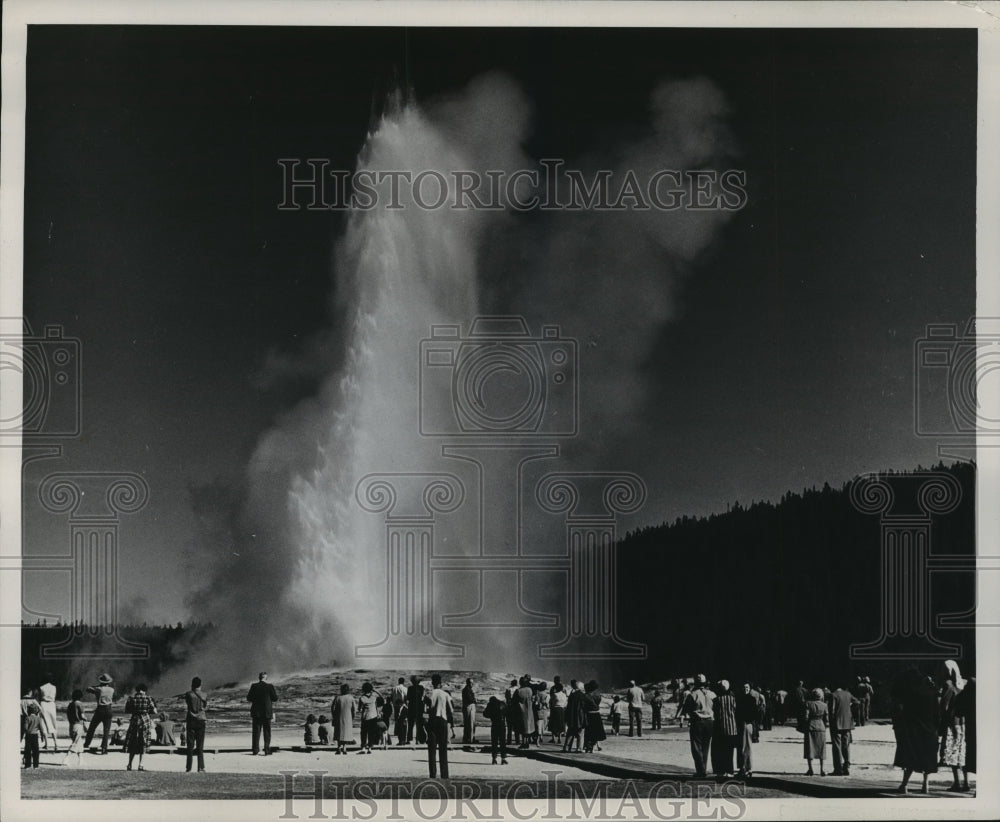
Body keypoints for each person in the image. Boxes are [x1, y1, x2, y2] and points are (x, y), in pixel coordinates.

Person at [891, 670, 939, 794]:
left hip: (913, 731)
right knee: (927, 759)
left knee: (910, 759)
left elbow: (905, 713)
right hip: (929, 730)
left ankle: (904, 784)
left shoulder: (910, 693)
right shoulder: (932, 693)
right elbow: (937, 714)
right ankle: (925, 785)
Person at [682, 674, 715, 778]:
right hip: (710, 722)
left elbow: (686, 710)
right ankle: (703, 769)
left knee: (696, 747)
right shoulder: (712, 694)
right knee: (706, 747)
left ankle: (700, 771)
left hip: (698, 722)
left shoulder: (692, 695)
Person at [939, 670, 967, 791]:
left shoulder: (948, 684)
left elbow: (944, 705)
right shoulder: (964, 683)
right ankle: (966, 782)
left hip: (952, 723)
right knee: (962, 752)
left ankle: (957, 782)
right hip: (963, 722)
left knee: (952, 752)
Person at [123, 683, 157, 771]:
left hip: (134, 721)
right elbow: (154, 711)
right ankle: (141, 765)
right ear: (144, 690)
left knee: (133, 743)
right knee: (143, 743)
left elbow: (127, 710)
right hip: (145, 721)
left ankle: (129, 764)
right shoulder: (149, 698)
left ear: (137, 690)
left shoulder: (131, 699)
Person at [425, 673, 453, 779]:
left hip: (433, 721)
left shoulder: (430, 693)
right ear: (440, 683)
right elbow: (451, 709)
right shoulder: (445, 694)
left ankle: (433, 774)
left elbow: (427, 708)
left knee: (432, 749)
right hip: (443, 721)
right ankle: (444, 774)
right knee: (443, 748)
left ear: (432, 683)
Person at [711, 680, 738, 779]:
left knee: (720, 751)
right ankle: (730, 771)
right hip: (732, 729)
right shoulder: (734, 699)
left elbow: (715, 714)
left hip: (720, 729)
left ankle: (721, 771)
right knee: (730, 752)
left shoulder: (717, 700)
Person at [247, 671, 278, 756]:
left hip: (256, 712)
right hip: (267, 712)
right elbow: (275, 698)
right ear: (266, 678)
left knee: (256, 732)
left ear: (259, 678)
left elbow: (249, 698)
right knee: (267, 732)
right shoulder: (270, 686)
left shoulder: (254, 686)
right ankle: (267, 750)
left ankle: (255, 750)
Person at [84, 673, 116, 754]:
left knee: (92, 728)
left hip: (100, 710)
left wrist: (97, 685)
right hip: (109, 710)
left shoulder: (99, 689)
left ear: (101, 682)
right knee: (106, 730)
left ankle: (87, 744)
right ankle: (104, 748)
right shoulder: (112, 690)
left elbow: (88, 689)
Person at [830, 682, 857, 775]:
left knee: (837, 746)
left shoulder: (833, 695)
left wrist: (830, 721)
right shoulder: (848, 694)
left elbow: (832, 710)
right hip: (847, 723)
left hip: (836, 723)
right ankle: (847, 766)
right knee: (846, 745)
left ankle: (838, 768)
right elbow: (857, 702)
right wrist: (850, 710)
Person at [953, 677, 975, 789]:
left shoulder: (960, 695)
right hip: (968, 728)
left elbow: (957, 712)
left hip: (964, 729)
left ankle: (959, 783)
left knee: (961, 756)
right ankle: (967, 783)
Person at [802, 687, 829, 777]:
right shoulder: (824, 705)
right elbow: (827, 719)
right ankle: (822, 769)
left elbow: (806, 717)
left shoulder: (808, 704)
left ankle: (810, 769)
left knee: (809, 748)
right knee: (821, 749)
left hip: (811, 726)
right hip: (821, 727)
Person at [185, 676, 208, 773]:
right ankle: (201, 767)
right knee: (200, 745)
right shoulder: (204, 695)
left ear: (192, 685)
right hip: (201, 720)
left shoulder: (189, 694)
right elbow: (205, 706)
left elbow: (187, 703)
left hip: (191, 720)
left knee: (190, 745)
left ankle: (189, 767)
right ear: (200, 685)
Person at [61, 689, 88, 767]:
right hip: (78, 725)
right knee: (75, 743)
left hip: (71, 725)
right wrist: (86, 719)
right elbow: (82, 716)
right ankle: (66, 758)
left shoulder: (70, 705)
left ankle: (81, 760)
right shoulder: (80, 704)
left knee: (79, 742)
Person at [735, 684, 757, 779]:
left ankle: (744, 768)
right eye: (744, 688)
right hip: (748, 724)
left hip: (745, 724)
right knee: (747, 747)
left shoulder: (740, 699)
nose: (745, 689)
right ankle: (747, 768)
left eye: (747, 688)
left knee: (743, 747)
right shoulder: (752, 699)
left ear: (749, 689)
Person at [582, 680, 606, 753]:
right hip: (596, 714)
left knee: (588, 731)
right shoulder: (598, 695)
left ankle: (587, 746)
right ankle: (593, 747)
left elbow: (584, 705)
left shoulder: (586, 695)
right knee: (595, 731)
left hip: (588, 714)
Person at [483, 695, 509, 765]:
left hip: (494, 725)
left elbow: (485, 714)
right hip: (502, 725)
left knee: (494, 742)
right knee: (502, 742)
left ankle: (494, 759)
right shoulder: (503, 704)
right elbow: (507, 713)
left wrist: (492, 715)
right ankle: (503, 759)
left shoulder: (491, 705)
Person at [513, 676, 537, 749]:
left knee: (523, 728)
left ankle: (524, 743)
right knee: (528, 728)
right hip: (529, 711)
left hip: (521, 711)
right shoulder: (530, 690)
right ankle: (527, 742)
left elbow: (514, 701)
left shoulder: (518, 691)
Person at [332, 683, 356, 755]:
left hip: (339, 717)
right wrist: (353, 717)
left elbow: (333, 708)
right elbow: (354, 709)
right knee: (346, 733)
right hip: (348, 717)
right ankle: (344, 748)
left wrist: (334, 716)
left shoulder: (338, 698)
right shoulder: (351, 698)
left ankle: (339, 747)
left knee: (339, 733)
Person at [39, 674, 60, 752]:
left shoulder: (41, 687)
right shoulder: (54, 687)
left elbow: (40, 696)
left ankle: (46, 744)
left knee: (44, 723)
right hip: (51, 704)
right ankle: (56, 744)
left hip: (43, 704)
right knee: (53, 723)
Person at [358, 682, 380, 754]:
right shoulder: (374, 697)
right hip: (373, 716)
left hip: (365, 717)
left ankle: (363, 747)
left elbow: (359, 709)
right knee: (371, 733)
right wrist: (375, 690)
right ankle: (370, 747)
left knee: (364, 733)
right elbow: (381, 698)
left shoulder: (362, 698)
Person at [563, 680, 585, 752]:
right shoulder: (582, 695)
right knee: (580, 733)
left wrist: (567, 717)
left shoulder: (572, 695)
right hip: (579, 717)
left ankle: (566, 747)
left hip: (572, 717)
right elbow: (583, 707)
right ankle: (579, 748)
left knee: (570, 732)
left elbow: (568, 707)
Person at [406, 675, 426, 747]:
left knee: (410, 725)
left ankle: (409, 739)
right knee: (419, 725)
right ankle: (418, 740)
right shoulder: (421, 688)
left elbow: (408, 699)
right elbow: (423, 697)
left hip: (411, 707)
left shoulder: (410, 688)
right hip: (419, 707)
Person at [23, 703, 42, 769]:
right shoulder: (38, 718)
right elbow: (41, 728)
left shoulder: (27, 718)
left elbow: (25, 728)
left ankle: (28, 765)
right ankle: (36, 765)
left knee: (28, 750)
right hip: (35, 735)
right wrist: (42, 736)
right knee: (36, 751)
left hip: (28, 735)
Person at [461, 679, 477, 746]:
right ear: (468, 683)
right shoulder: (467, 690)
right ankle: (470, 739)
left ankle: (468, 738)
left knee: (469, 723)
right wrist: (475, 700)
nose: (472, 684)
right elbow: (470, 699)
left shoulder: (467, 689)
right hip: (469, 706)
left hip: (468, 706)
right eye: (471, 683)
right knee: (470, 723)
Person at [505, 678, 520, 746]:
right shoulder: (518, 689)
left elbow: (507, 698)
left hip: (509, 708)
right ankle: (517, 740)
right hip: (516, 708)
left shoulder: (508, 689)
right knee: (516, 725)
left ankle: (509, 740)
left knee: (509, 726)